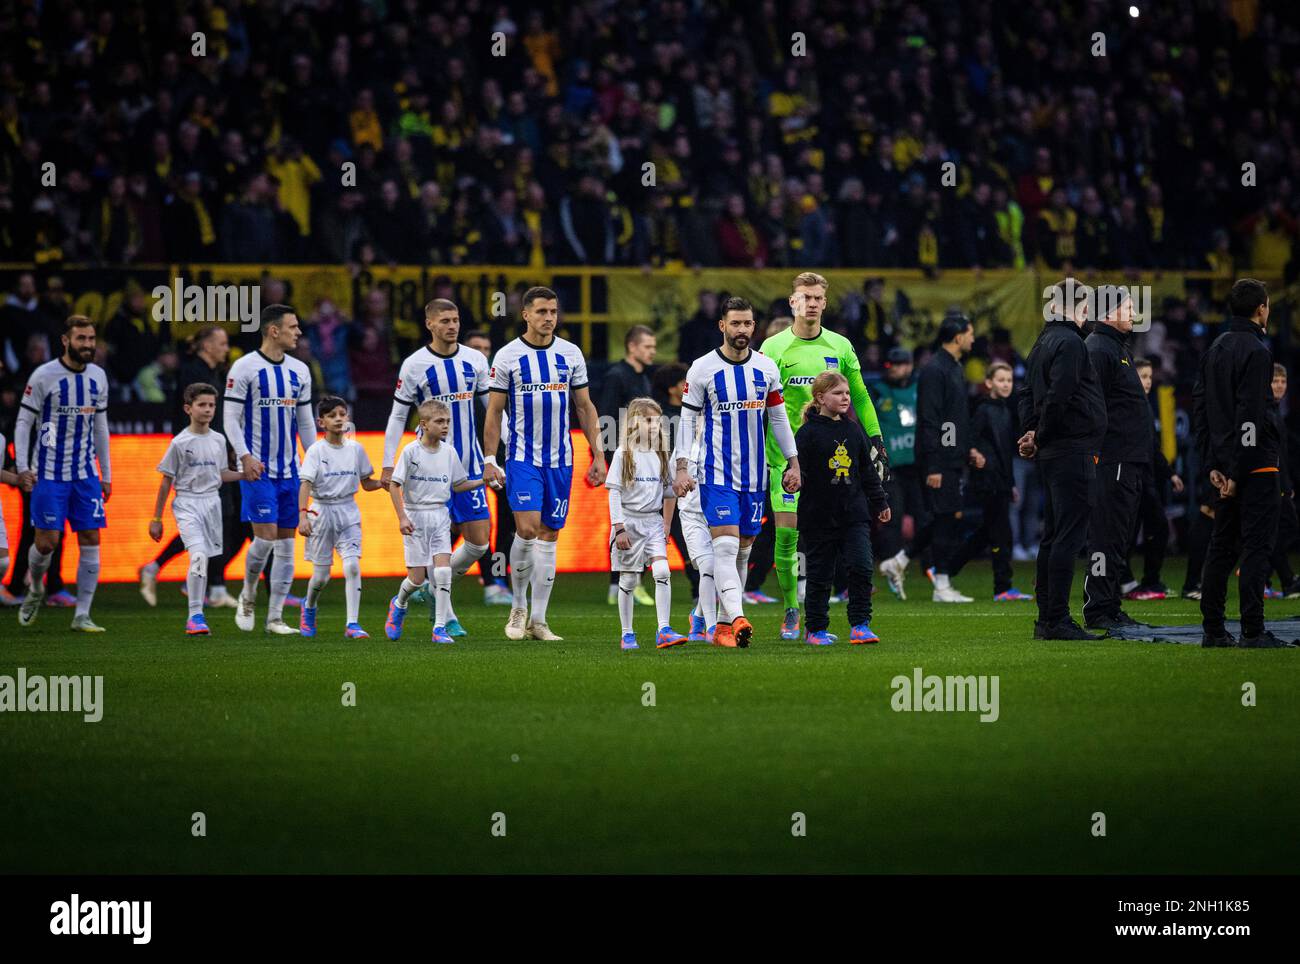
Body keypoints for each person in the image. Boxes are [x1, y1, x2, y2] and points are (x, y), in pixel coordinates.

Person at [758, 271, 884, 638]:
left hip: (830, 459)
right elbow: (759, 404)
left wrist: (876, 440)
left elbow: (859, 395)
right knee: (786, 534)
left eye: (817, 298)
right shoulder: (773, 348)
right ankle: (792, 609)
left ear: (824, 303)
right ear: (793, 303)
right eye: (805, 297)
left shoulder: (841, 346)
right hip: (783, 456)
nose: (811, 303)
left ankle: (841, 617)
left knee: (830, 538)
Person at [672, 296, 801, 648]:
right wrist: (682, 467)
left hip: (756, 476)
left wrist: (793, 461)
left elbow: (778, 418)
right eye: (736, 324)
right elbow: (686, 421)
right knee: (726, 548)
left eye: (747, 324)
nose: (742, 330)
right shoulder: (702, 368)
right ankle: (736, 616)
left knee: (743, 549)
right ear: (722, 326)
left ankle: (722, 623)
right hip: (716, 475)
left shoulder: (766, 368)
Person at [481, 286, 607, 641]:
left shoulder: (570, 354)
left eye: (553, 311)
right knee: (526, 529)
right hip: (521, 459)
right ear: (525, 315)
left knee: (550, 534)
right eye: (541, 312)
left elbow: (584, 407)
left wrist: (598, 454)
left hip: (561, 460)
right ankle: (518, 606)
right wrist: (490, 459)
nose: (549, 318)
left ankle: (539, 620)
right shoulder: (507, 357)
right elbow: (493, 413)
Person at [1192, 279, 1294, 647]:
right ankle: (1252, 629)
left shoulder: (1214, 348)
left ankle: (1213, 630)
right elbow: (1250, 416)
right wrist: (1238, 471)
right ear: (1261, 308)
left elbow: (1201, 408)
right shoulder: (1256, 351)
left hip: (1223, 466)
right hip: (1256, 466)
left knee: (1221, 548)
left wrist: (1213, 466)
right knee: (1256, 546)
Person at [381, 299, 492, 636]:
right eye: (444, 320)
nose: (452, 326)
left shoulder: (475, 360)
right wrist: (388, 464)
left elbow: (492, 410)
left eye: (456, 319)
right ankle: (446, 615)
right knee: (435, 547)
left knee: (479, 543)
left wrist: (491, 457)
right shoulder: (414, 364)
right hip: (428, 468)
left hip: (469, 464)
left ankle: (431, 590)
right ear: (429, 324)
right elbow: (399, 415)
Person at [1017, 279, 1107, 640]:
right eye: (1084, 304)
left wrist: (1031, 433)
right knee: (1068, 538)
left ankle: (1046, 620)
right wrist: (1039, 434)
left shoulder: (1042, 342)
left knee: (1053, 537)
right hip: (1073, 450)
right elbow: (1060, 396)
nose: (1087, 312)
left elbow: (1028, 394)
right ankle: (1057, 620)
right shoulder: (1071, 342)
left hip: (1054, 451)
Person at [223, 304, 317, 635]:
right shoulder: (245, 367)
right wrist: (245, 456)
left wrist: (315, 459)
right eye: (293, 326)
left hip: (290, 472)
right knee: (263, 540)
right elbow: (230, 418)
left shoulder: (300, 371)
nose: (299, 332)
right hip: (258, 470)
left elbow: (304, 421)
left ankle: (275, 617)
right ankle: (247, 596)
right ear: (273, 330)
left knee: (287, 546)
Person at [15, 315, 112, 632]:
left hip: (85, 474)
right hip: (49, 473)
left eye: (91, 338)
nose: (88, 344)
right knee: (46, 543)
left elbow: (100, 428)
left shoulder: (98, 376)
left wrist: (105, 474)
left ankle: (82, 614)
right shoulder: (44, 375)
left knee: (90, 538)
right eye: (81, 338)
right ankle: (36, 587)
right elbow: (24, 422)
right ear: (66, 341)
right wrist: (23, 468)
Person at [140, 324, 239, 608]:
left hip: (219, 453)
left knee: (223, 523)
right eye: (221, 343)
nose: (225, 348)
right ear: (207, 345)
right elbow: (187, 420)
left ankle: (208, 583)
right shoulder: (193, 373)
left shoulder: (213, 373)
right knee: (213, 524)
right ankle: (206, 586)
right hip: (201, 459)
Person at [794, 371, 891, 645]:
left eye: (847, 393)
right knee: (820, 576)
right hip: (818, 516)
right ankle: (815, 629)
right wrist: (792, 482)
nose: (845, 398)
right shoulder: (807, 434)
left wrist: (880, 501)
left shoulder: (852, 429)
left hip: (854, 514)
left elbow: (867, 470)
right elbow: (797, 471)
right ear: (820, 397)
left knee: (861, 567)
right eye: (838, 393)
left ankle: (860, 624)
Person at [386, 400, 491, 644]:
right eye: (439, 422)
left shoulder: (449, 452)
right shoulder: (411, 452)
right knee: (415, 578)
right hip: (415, 516)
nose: (445, 426)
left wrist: (482, 481)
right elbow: (394, 484)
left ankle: (440, 627)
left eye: (447, 422)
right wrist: (402, 517)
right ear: (423, 424)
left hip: (440, 515)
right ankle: (399, 603)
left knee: (443, 571)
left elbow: (458, 485)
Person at [147, 383, 243, 635]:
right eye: (202, 405)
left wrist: (244, 476)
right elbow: (167, 479)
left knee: (209, 559)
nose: (208, 410)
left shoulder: (219, 439)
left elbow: (221, 474)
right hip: (188, 503)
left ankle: (198, 613)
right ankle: (195, 616)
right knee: (198, 554)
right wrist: (156, 518)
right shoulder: (180, 442)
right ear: (188, 408)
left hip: (213, 503)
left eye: (212, 405)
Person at [1081, 290, 1151, 632]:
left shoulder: (1115, 348)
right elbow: (1092, 405)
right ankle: (1097, 607)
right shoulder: (1098, 348)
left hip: (1129, 459)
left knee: (1118, 538)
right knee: (1105, 537)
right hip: (1113, 459)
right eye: (1127, 307)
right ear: (1108, 313)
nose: (1134, 312)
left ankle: (1110, 604)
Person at [605, 397, 689, 650]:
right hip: (629, 523)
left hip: (652, 522)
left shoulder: (661, 454)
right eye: (648, 421)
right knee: (629, 580)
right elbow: (614, 492)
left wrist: (681, 489)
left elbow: (666, 491)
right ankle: (627, 633)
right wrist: (619, 528)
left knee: (663, 572)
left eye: (657, 421)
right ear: (633, 423)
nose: (654, 426)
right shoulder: (623, 454)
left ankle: (664, 629)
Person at [945, 362, 1033, 600]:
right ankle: (1002, 587)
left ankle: (946, 569)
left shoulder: (1005, 410)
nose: (1006, 384)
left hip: (1001, 480)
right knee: (1001, 534)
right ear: (989, 383)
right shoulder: (984, 410)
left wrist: (1011, 482)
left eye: (1009, 380)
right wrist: (973, 453)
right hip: (987, 481)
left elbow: (1006, 452)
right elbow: (968, 438)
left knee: (988, 533)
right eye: (1001, 380)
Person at [298, 395, 383, 639]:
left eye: (342, 415)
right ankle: (310, 606)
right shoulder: (316, 450)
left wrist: (384, 484)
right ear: (321, 422)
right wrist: (303, 517)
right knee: (321, 577)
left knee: (353, 565)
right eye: (332, 415)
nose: (338, 419)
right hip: (321, 512)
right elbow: (305, 484)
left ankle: (352, 624)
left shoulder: (356, 449)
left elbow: (366, 483)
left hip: (348, 511)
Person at [915, 314, 982, 603]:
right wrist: (935, 464)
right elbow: (931, 419)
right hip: (940, 460)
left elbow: (954, 421)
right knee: (945, 518)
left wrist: (966, 450)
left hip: (951, 458)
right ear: (957, 337)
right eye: (970, 333)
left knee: (948, 516)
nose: (973, 338)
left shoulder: (953, 367)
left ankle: (903, 560)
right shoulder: (935, 369)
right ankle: (941, 583)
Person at [598, 324, 657, 608]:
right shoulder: (616, 376)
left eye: (653, 347)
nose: (652, 352)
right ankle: (622, 582)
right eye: (647, 346)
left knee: (639, 519)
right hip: (624, 458)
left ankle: (626, 583)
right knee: (624, 518)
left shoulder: (642, 377)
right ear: (632, 347)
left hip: (641, 456)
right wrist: (608, 459)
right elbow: (607, 418)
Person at [1120, 357, 1185, 600]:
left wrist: (1169, 474)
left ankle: (1146, 580)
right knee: (1133, 530)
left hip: (1144, 477)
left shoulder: (1145, 406)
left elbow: (1152, 447)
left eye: (1148, 377)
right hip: (1132, 476)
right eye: (1142, 376)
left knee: (1152, 527)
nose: (1147, 382)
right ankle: (1127, 580)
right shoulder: (1128, 406)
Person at [463, 327, 513, 605]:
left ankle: (497, 578)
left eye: (485, 349)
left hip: (498, 461)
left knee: (508, 522)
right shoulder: (458, 386)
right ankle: (490, 582)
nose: (482, 354)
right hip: (467, 463)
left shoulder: (498, 383)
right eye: (476, 349)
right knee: (473, 523)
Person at [874, 346, 925, 598]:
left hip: (917, 465)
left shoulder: (921, 390)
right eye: (892, 365)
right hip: (890, 467)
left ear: (910, 365)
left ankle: (929, 567)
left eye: (901, 364)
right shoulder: (877, 391)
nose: (896, 368)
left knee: (925, 517)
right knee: (892, 519)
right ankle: (892, 566)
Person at [1265, 364, 1300, 597]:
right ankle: (1285, 579)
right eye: (1275, 381)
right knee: (1285, 528)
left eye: (1283, 382)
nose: (1280, 386)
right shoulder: (1267, 411)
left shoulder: (1275, 410)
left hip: (1278, 481)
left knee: (1278, 531)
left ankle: (1267, 576)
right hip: (1270, 481)